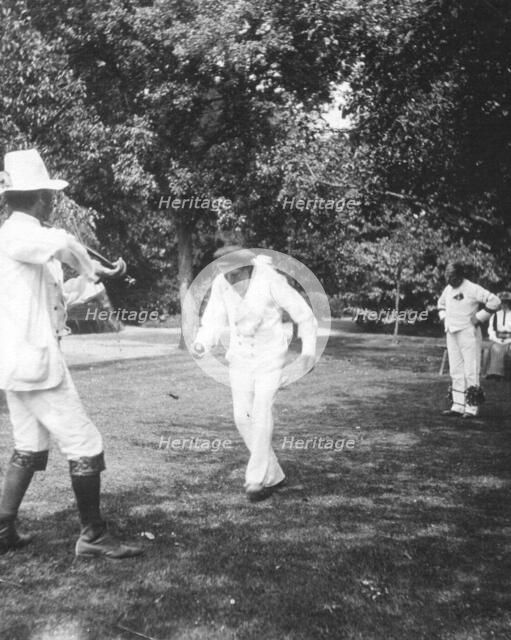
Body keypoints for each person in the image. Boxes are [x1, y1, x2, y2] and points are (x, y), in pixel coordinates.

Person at [0, 149, 142, 558]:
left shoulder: (24, 241)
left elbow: (58, 296)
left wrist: (96, 279)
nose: (53, 202)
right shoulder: (19, 234)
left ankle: (3, 528)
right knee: (85, 442)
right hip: (36, 363)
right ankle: (93, 536)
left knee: (28, 445)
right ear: (40, 196)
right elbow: (63, 243)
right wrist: (92, 267)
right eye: (49, 194)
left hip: (19, 364)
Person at [192, 247, 317, 501]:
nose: (229, 278)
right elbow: (213, 320)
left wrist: (308, 352)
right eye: (224, 272)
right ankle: (274, 474)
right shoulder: (220, 283)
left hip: (270, 357)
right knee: (241, 417)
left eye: (234, 272)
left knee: (261, 411)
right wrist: (201, 343)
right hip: (239, 358)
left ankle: (256, 479)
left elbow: (303, 313)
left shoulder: (270, 278)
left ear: (247, 267)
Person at [438, 262, 501, 418]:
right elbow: (440, 304)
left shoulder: (472, 288)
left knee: (471, 371)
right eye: (446, 275)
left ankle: (472, 408)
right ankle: (458, 405)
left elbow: (495, 301)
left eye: (451, 275)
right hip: (451, 333)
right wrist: (445, 319)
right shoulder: (448, 289)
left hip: (468, 333)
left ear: (459, 275)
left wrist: (479, 318)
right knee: (455, 370)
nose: (448, 278)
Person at [486, 292, 511, 379]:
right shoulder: (495, 315)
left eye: (506, 302)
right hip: (497, 339)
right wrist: (496, 339)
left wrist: (508, 340)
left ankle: (506, 374)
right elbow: (491, 330)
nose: (504, 305)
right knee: (495, 348)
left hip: (510, 340)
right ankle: (495, 373)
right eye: (502, 302)